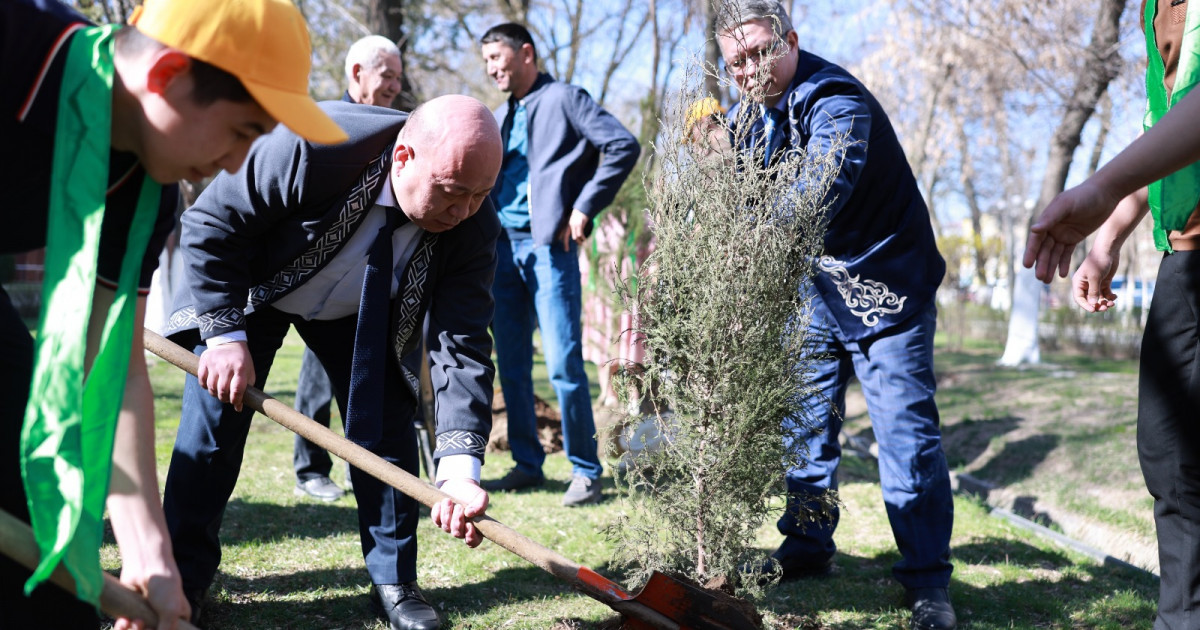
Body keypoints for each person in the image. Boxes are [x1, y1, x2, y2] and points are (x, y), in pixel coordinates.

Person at [0, 0, 343, 628]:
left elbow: (112, 368)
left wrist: (150, 553)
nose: (239, 164)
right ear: (167, 77)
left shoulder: (142, 188)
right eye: (242, 130)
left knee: (42, 509)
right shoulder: (14, 42)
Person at [161, 95, 499, 630]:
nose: (463, 211)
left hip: (360, 311)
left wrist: (458, 472)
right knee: (212, 429)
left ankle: (395, 582)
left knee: (386, 431)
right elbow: (211, 224)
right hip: (253, 289)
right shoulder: (315, 143)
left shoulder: (474, 223)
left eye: (480, 195)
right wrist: (224, 337)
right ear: (404, 156)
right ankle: (181, 580)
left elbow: (461, 345)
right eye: (453, 192)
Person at [715, 2, 956, 629]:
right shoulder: (749, 118)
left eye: (760, 51)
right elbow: (734, 185)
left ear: (791, 41)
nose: (748, 69)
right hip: (817, 294)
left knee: (904, 434)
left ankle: (927, 579)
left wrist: (757, 244)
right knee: (807, 427)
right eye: (735, 60)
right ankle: (807, 547)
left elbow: (820, 183)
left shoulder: (836, 100)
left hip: (888, 291)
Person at [1024, 2, 1200, 626]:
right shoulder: (1158, 11)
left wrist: (1099, 187)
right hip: (1186, 257)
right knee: (1169, 455)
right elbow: (1170, 131)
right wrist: (1107, 239)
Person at [478, 23, 641, 506]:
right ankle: (527, 463)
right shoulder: (499, 115)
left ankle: (585, 471)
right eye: (485, 61)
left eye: (497, 57)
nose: (491, 69)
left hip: (552, 249)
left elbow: (622, 145)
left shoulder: (566, 98)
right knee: (510, 364)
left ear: (525, 53)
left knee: (565, 364)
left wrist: (585, 206)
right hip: (500, 251)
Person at [292, 34, 405, 502]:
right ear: (357, 73)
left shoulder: (396, 130)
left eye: (399, 78)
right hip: (307, 276)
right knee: (316, 372)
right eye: (388, 76)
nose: (396, 87)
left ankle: (369, 475)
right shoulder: (325, 128)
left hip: (366, 276)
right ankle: (310, 468)